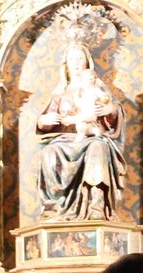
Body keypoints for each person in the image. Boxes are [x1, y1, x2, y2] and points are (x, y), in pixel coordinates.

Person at [36, 45, 126, 221]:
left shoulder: (99, 88)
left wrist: (111, 109)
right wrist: (43, 121)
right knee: (49, 153)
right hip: (64, 139)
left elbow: (112, 110)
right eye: (72, 59)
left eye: (80, 59)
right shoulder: (60, 92)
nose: (76, 63)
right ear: (66, 65)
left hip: (92, 136)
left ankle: (96, 206)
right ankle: (53, 208)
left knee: (98, 148)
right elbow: (46, 118)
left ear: (87, 63)